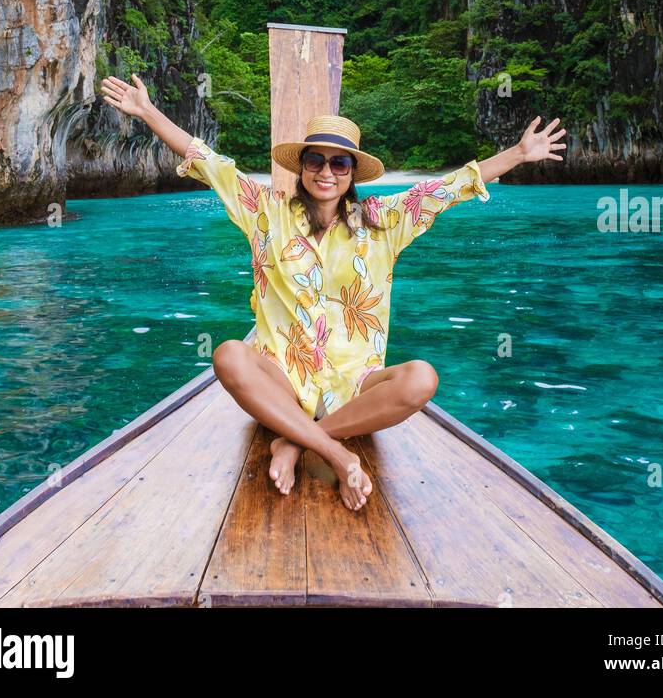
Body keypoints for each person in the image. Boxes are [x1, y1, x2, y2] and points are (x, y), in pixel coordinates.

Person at [100, 72, 566, 512]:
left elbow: (449, 188)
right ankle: (334, 451)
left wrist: (517, 154)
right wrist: (147, 112)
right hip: (283, 378)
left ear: (352, 172)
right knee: (227, 355)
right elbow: (207, 162)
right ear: (301, 166)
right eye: (315, 160)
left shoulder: (384, 221)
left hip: (353, 385)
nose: (327, 171)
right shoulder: (266, 212)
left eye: (339, 162)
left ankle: (295, 439)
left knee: (421, 378)